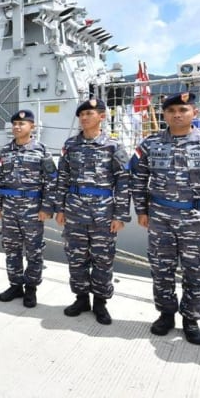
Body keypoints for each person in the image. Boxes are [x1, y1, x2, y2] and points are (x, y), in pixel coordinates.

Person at [131, 92, 200, 344]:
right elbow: (138, 180)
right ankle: (166, 314)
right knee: (161, 268)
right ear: (164, 114)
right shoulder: (150, 144)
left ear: (194, 113)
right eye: (171, 111)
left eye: (182, 109)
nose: (177, 115)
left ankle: (191, 319)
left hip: (196, 218)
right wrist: (142, 211)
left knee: (197, 270)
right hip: (160, 218)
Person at [51, 98, 130, 325]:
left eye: (89, 113)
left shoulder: (113, 146)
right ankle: (81, 298)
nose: (84, 117)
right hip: (75, 211)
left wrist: (120, 215)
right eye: (82, 114)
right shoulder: (71, 145)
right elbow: (62, 178)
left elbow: (123, 181)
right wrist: (60, 208)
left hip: (103, 213)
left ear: (102, 117)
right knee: (76, 258)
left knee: (103, 259)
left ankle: (100, 302)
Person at [0, 110, 56, 307]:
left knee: (34, 250)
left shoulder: (42, 151)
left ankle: (31, 288)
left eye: (22, 123)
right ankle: (15, 285)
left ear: (32, 127)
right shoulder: (4, 152)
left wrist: (46, 207)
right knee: (11, 248)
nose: (17, 127)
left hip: (32, 209)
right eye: (15, 124)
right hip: (10, 208)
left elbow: (51, 181)